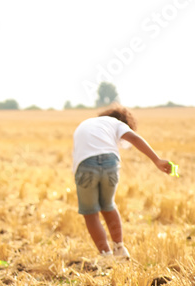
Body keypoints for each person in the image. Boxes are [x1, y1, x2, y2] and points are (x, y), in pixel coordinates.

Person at [72, 105, 172, 259]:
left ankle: (105, 255)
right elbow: (134, 138)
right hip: (110, 163)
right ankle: (120, 248)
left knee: (90, 213)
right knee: (108, 205)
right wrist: (157, 160)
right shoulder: (117, 124)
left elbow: (79, 152)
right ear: (125, 122)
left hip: (85, 165)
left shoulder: (87, 123)